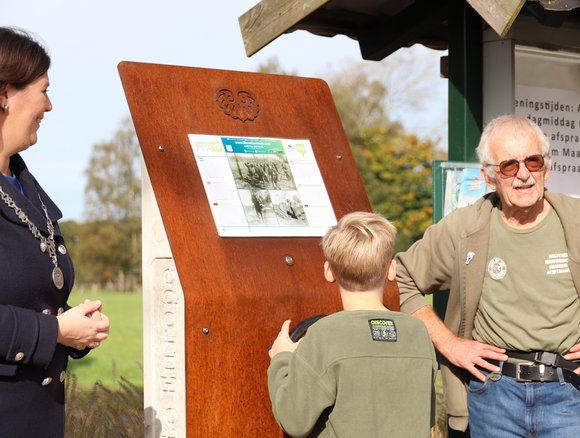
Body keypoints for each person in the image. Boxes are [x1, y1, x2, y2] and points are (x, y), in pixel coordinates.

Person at [396, 114, 580, 437]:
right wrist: (451, 344)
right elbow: (401, 278)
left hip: (570, 394)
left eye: (532, 162)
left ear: (547, 166)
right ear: (489, 176)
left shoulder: (574, 221)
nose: (523, 175)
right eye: (509, 166)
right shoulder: (465, 228)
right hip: (494, 395)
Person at [0, 27, 110, 437]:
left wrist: (72, 329)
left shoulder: (25, 184)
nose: (49, 104)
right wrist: (54, 332)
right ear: (5, 93)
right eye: (44, 89)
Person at [268, 211, 437, 437]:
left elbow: (294, 421)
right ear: (391, 270)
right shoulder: (417, 332)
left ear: (329, 271)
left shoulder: (324, 334)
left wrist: (282, 360)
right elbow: (426, 415)